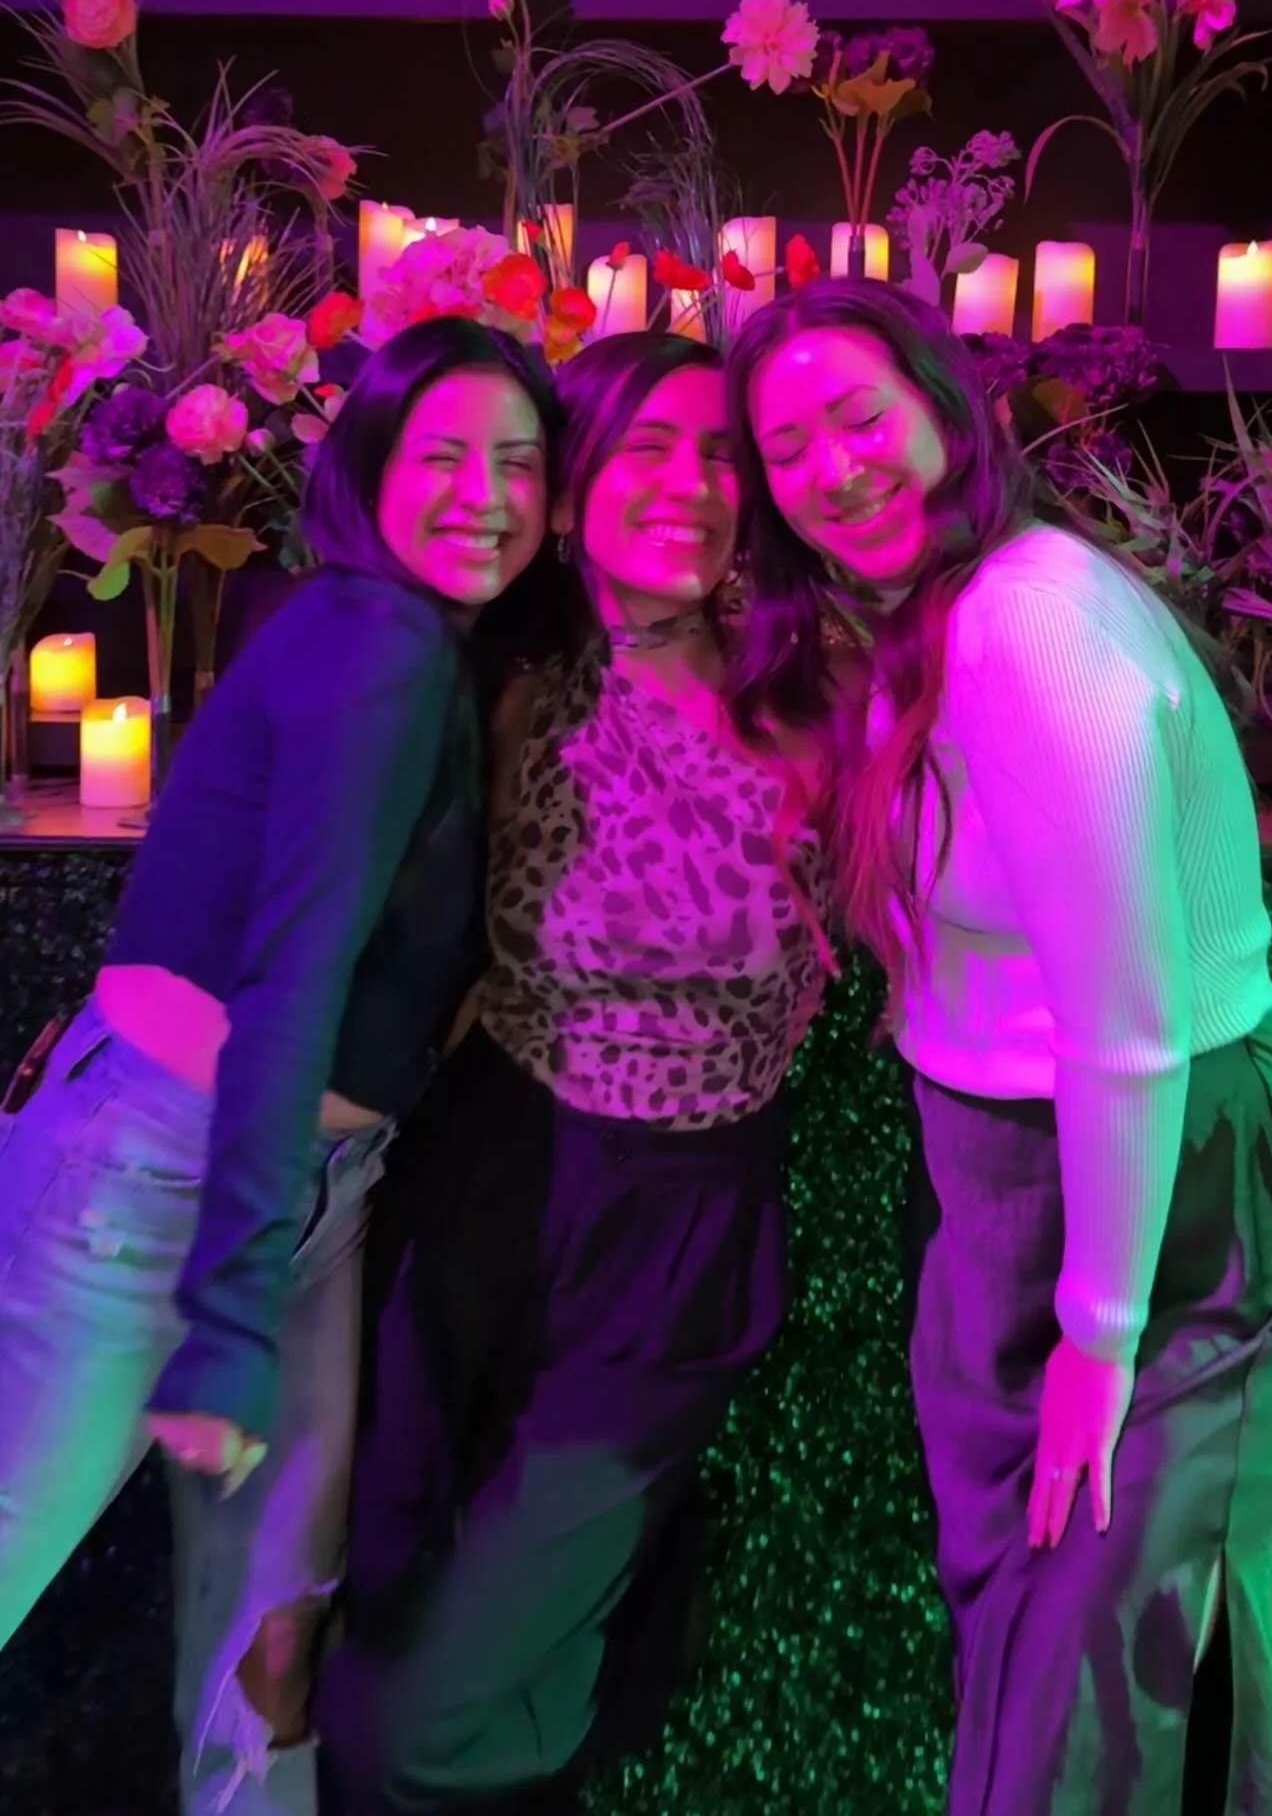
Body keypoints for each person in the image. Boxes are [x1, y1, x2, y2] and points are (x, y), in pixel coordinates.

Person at [723, 273, 1272, 1815]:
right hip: (1003, 1175)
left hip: (1165, 1181)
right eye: (786, 447)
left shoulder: (1024, 623)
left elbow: (1127, 1027)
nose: (832, 466)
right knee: (1074, 1647)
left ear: (945, 407)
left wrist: (1098, 1335)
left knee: (1095, 1663)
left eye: (858, 415)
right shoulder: (913, 627)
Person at [0, 315, 558, 1816]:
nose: (487, 495)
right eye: (444, 456)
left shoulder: (416, 643)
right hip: (162, 1174)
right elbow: (291, 979)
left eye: (520, 461)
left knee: (271, 1662)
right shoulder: (377, 646)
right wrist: (231, 1311)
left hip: (301, 1186)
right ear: (366, 465)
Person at [316, 329, 842, 1816]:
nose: (691, 484)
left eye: (720, 453)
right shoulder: (494, 681)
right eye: (645, 449)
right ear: (567, 487)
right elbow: (358, 917)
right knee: (381, 1598)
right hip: (476, 1200)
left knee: (413, 1709)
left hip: (674, 1244)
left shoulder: (816, 697)